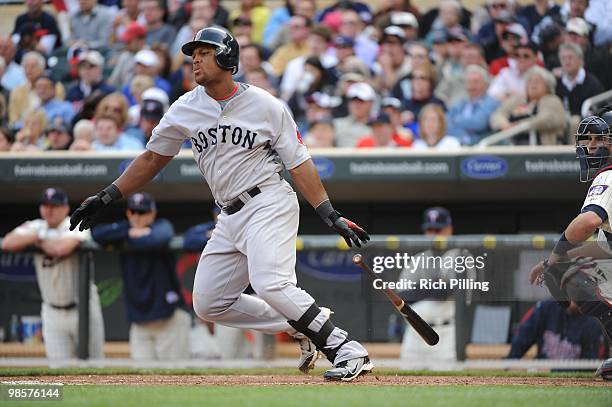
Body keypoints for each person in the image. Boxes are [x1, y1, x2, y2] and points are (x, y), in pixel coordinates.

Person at [69, 27, 372, 381]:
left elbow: (299, 162)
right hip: (228, 213)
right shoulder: (185, 107)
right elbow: (152, 158)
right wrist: (108, 195)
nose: (195, 58)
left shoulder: (266, 105)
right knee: (209, 302)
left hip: (268, 200)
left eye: (205, 51)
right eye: (193, 53)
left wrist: (328, 212)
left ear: (228, 57)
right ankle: (302, 323)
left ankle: (347, 350)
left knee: (269, 282)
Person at [528, 113, 612, 379]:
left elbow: (587, 221)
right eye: (588, 139)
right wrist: (553, 261)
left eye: (601, 138)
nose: (591, 146)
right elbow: (606, 247)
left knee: (574, 277)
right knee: (569, 267)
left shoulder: (608, 175)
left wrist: (557, 255)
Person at [1, 188, 105, 360]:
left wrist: (38, 240)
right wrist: (41, 237)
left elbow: (61, 248)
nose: (49, 210)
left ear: (65, 208)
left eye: (55, 206)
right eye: (45, 205)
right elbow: (7, 243)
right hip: (52, 312)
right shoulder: (36, 225)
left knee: (93, 366)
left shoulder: (76, 223)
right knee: (58, 370)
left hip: (83, 308)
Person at [91, 192, 191, 360]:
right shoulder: (126, 229)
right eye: (133, 212)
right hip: (140, 323)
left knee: (175, 378)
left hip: (169, 319)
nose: (136, 216)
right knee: (142, 378)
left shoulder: (161, 225)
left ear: (152, 213)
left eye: (142, 212)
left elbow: (160, 238)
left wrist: (128, 236)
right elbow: (97, 234)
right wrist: (129, 232)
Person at [397, 207, 473, 365]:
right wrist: (433, 288)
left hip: (446, 333)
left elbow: (448, 290)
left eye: (438, 229)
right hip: (415, 333)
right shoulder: (418, 259)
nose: (434, 234)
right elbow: (402, 297)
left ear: (449, 229)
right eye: (430, 230)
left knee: (451, 384)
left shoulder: (462, 256)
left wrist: (419, 289)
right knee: (404, 382)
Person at [490, 66, 566, 145]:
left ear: (547, 86)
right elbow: (497, 115)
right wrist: (505, 125)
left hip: (542, 147)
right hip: (512, 142)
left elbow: (546, 120)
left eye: (537, 81)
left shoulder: (552, 100)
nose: (533, 84)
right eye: (530, 81)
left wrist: (519, 126)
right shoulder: (517, 100)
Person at [507, 299, 605, 359]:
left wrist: (552, 370)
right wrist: (510, 362)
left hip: (572, 381)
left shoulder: (594, 321)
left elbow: (591, 366)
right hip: (541, 374)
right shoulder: (546, 308)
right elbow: (521, 339)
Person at [446, 65, 500, 145]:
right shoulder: (461, 102)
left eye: (476, 82)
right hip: (456, 144)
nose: (471, 86)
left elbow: (479, 123)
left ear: (485, 84)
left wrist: (455, 120)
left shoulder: (491, 102)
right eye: (469, 82)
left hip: (480, 147)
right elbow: (445, 123)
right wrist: (461, 135)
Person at [555, 42, 604, 117]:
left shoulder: (593, 84)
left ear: (580, 60)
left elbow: (600, 111)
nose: (567, 62)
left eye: (570, 57)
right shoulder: (557, 83)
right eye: (563, 58)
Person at [332, 82, 375, 148]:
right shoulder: (336, 124)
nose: (357, 105)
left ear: (371, 103)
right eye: (353, 101)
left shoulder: (378, 126)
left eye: (361, 101)